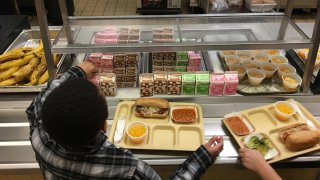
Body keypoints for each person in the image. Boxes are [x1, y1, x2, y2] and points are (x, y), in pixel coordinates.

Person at [26, 61, 224, 179]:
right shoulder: (126, 168)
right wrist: (202, 157)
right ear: (104, 126)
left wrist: (80, 69)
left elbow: (46, 93)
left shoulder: (39, 133)